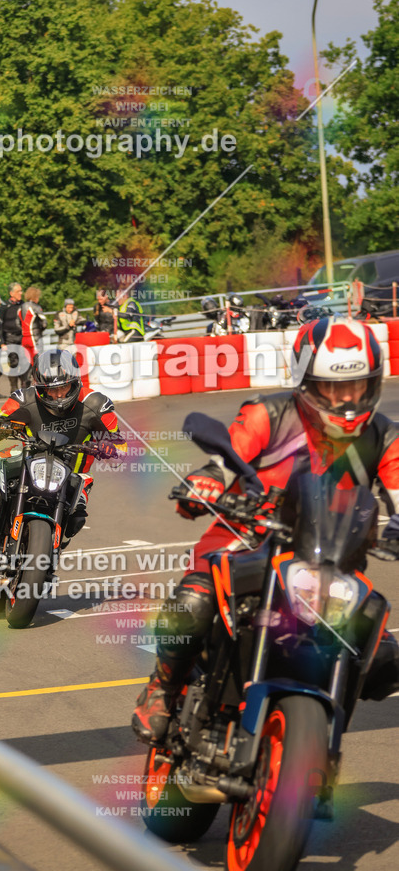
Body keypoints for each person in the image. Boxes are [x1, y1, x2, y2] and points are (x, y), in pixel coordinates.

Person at [132, 316, 399, 744]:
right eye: (333, 388)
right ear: (306, 382)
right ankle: (162, 687)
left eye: (358, 386)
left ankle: (320, 741)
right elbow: (226, 458)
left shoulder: (384, 437)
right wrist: (206, 483)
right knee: (194, 602)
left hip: (331, 562)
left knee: (382, 657)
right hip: (245, 542)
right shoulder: (269, 415)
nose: (347, 400)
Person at [0, 348, 127, 560]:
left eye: (63, 387)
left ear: (74, 382)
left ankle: (52, 553)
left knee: (76, 518)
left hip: (74, 474)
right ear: (40, 388)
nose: (58, 395)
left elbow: (121, 448)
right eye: (51, 390)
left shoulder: (97, 404)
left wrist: (110, 448)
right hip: (26, 462)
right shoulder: (22, 399)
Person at [0, 282, 30, 393]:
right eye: (18, 291)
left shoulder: (24, 305)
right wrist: (2, 342)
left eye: (21, 291)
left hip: (22, 337)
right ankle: (14, 388)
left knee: (25, 362)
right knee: (14, 363)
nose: (21, 293)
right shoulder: (4, 306)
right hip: (9, 338)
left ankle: (25, 387)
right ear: (11, 293)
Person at [21, 286, 47, 361]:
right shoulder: (36, 307)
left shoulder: (22, 306)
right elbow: (44, 323)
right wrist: (40, 330)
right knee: (39, 359)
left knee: (28, 361)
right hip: (35, 337)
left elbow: (17, 322)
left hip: (24, 337)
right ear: (35, 296)